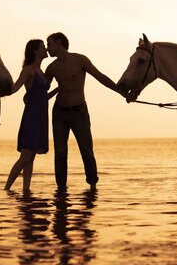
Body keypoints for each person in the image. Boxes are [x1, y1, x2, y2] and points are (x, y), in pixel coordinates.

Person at [45, 32, 121, 189]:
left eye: (49, 44)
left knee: (86, 149)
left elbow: (100, 77)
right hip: (59, 112)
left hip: (79, 111)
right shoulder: (51, 67)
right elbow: (41, 91)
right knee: (60, 152)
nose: (47, 48)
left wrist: (121, 91)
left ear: (59, 43)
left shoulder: (80, 60)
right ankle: (61, 188)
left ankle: (92, 185)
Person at [5, 39, 57, 192]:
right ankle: (6, 189)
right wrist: (2, 91)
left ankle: (26, 190)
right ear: (35, 51)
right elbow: (15, 87)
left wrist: (59, 89)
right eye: (42, 47)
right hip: (31, 118)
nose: (46, 49)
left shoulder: (41, 71)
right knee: (25, 156)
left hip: (41, 118)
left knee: (31, 157)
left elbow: (43, 97)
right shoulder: (28, 70)